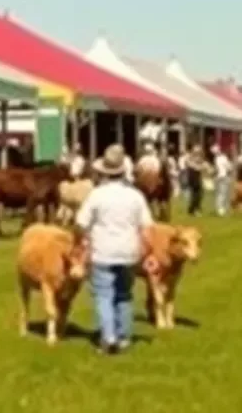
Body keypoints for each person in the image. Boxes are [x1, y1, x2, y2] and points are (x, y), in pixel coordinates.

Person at [75, 144, 154, 355]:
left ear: (102, 172)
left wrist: (81, 241)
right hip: (129, 252)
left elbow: (81, 223)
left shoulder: (97, 195)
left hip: (103, 251)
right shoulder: (135, 196)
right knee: (124, 295)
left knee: (103, 294)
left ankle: (108, 336)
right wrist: (149, 252)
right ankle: (124, 336)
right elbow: (147, 227)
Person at [183, 145, 205, 216]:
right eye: (197, 151)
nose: (199, 153)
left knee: (199, 194)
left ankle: (192, 209)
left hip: (196, 177)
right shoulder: (190, 158)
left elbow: (201, 165)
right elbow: (192, 166)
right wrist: (199, 167)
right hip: (193, 177)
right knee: (196, 195)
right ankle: (194, 210)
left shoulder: (197, 158)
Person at [212, 145, 233, 218]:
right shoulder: (222, 158)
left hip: (220, 177)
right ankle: (221, 209)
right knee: (223, 193)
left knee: (221, 193)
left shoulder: (217, 159)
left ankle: (222, 208)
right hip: (223, 176)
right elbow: (229, 167)